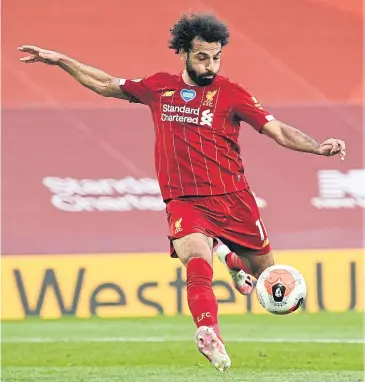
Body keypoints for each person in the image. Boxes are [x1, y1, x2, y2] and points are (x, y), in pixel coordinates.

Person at [18, 13, 346, 372]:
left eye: (216, 57)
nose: (210, 65)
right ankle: (208, 330)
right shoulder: (159, 88)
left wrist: (318, 148)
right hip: (184, 201)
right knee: (195, 259)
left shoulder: (231, 94)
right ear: (184, 53)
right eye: (202, 57)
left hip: (234, 199)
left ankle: (231, 259)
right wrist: (61, 60)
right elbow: (105, 83)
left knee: (269, 285)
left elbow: (277, 130)